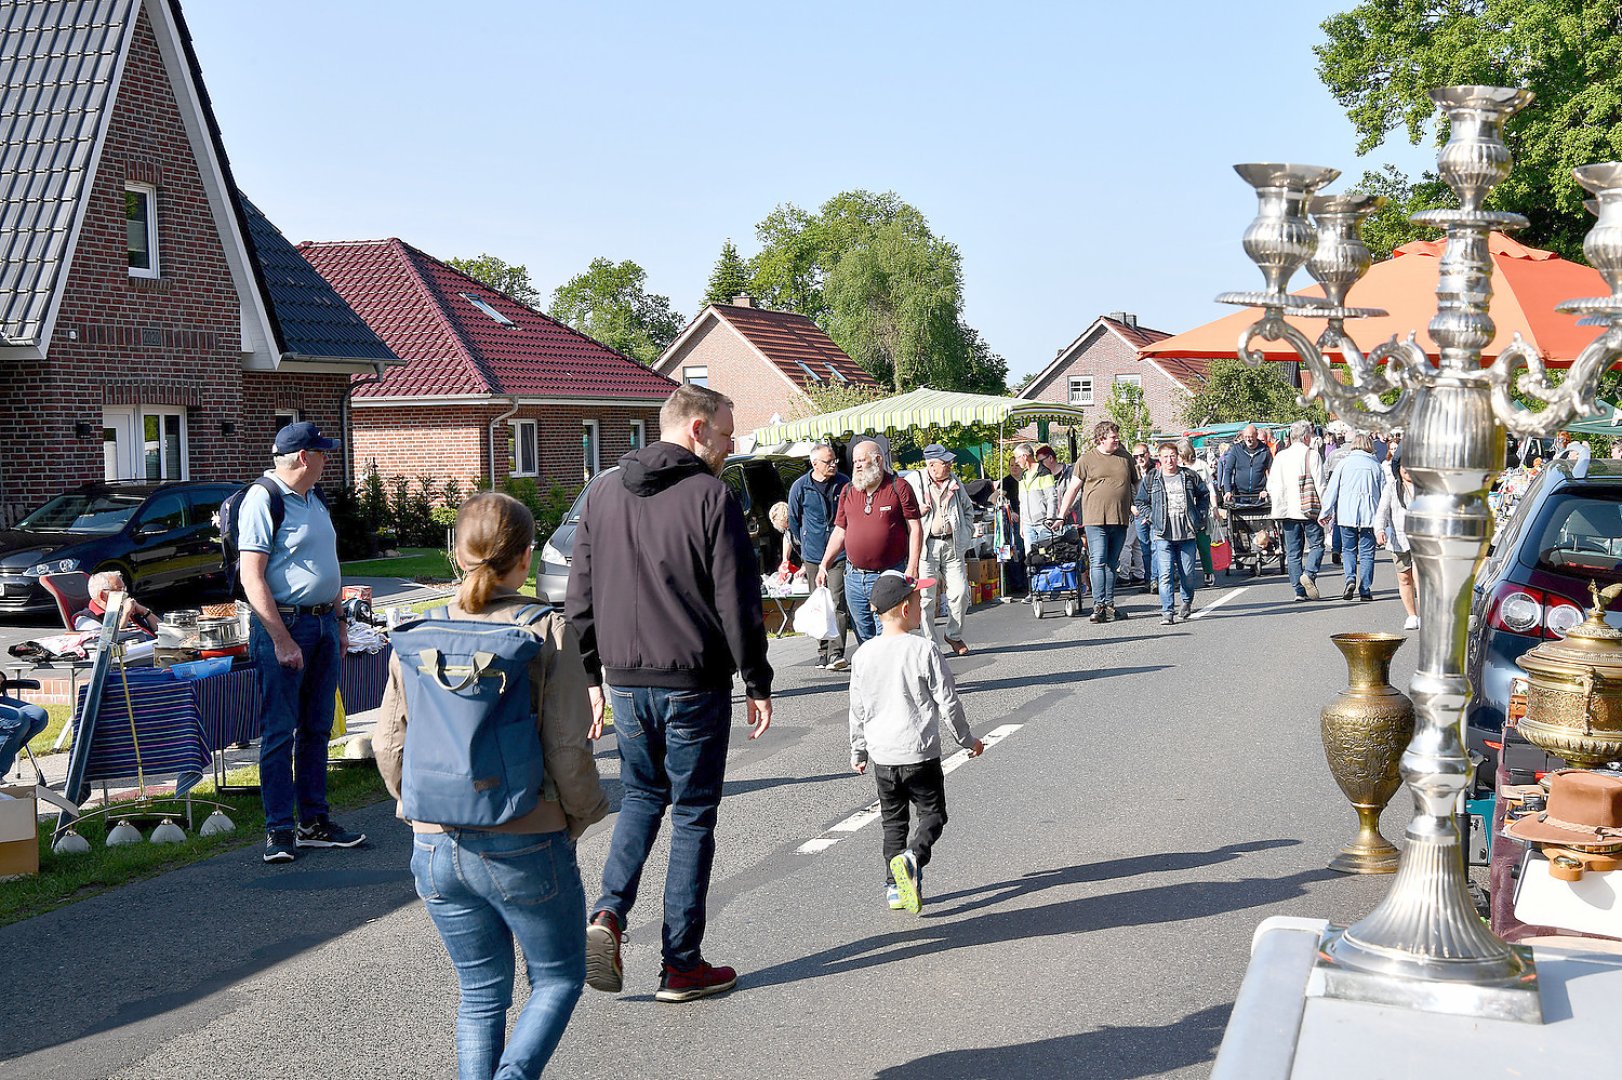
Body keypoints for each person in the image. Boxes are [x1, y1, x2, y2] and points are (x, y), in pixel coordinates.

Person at [375, 492, 609, 1079]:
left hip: (432, 843)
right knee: (558, 977)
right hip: (523, 836)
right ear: (526, 557)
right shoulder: (546, 630)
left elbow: (389, 743)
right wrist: (578, 816)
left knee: (480, 995)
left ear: (457, 554)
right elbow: (566, 747)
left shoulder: (419, 632)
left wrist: (416, 807)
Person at [567, 384, 773, 1004]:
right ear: (698, 429)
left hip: (626, 683)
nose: (731, 445)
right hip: (690, 683)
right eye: (727, 432)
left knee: (640, 799)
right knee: (691, 815)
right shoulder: (711, 497)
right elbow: (737, 599)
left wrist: (591, 678)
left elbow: (579, 593)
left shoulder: (601, 491)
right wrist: (756, 680)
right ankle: (681, 964)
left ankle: (607, 913)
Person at [238, 421, 365, 864]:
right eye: (323, 453)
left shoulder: (315, 497)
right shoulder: (264, 498)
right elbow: (251, 576)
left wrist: (340, 623)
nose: (328, 459)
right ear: (304, 458)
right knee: (279, 731)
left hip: (323, 625)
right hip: (286, 627)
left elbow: (326, 562)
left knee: (316, 728)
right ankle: (278, 830)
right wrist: (280, 638)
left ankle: (314, 822)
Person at [848, 570, 983, 915]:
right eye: (917, 599)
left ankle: (894, 889)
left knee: (893, 823)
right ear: (906, 609)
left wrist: (858, 749)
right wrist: (967, 739)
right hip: (919, 753)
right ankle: (914, 857)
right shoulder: (923, 649)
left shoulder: (863, 655)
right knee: (933, 815)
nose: (922, 602)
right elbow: (948, 701)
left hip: (883, 757)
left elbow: (858, 708)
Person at [817, 439, 922, 645]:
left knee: (889, 634)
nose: (856, 465)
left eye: (862, 460)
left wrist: (912, 567)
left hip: (888, 574)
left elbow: (915, 528)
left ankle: (892, 676)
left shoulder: (898, 487)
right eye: (854, 460)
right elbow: (840, 531)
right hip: (855, 576)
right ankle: (874, 674)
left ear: (878, 460)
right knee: (863, 634)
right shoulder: (848, 490)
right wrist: (824, 564)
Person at [1054, 420, 1140, 623]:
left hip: (1120, 518)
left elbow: (1137, 484)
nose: (1117, 439)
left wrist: (1140, 505)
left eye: (1117, 436)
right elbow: (1072, 489)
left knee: (1112, 563)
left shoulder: (1125, 457)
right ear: (1101, 438)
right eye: (1113, 436)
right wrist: (1061, 515)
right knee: (1098, 560)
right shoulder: (1087, 459)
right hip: (1095, 519)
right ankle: (1098, 605)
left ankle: (1109, 605)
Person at [787, 445, 851, 670]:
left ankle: (836, 652)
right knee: (819, 602)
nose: (833, 464)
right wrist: (805, 544)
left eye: (834, 460)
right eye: (828, 461)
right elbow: (793, 520)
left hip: (839, 553)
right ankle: (822, 649)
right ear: (815, 464)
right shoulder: (800, 487)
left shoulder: (844, 483)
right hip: (813, 554)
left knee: (837, 601)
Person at [906, 444, 974, 655]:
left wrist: (965, 533)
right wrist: (918, 511)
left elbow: (968, 509)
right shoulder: (913, 482)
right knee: (925, 598)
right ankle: (929, 644)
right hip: (927, 546)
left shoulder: (954, 481)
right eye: (945, 463)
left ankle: (953, 635)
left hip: (952, 545)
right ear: (932, 465)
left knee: (961, 593)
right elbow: (902, 512)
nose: (949, 465)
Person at [1136, 441, 1210, 625]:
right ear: (1159, 459)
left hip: (1187, 533)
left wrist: (1200, 516)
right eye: (1165, 456)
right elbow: (1141, 501)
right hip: (1162, 533)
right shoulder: (1152, 478)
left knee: (1188, 573)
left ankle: (1186, 602)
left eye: (1172, 456)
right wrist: (1151, 516)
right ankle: (1167, 611)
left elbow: (1204, 495)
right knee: (1165, 574)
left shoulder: (1189, 476)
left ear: (1177, 457)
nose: (1170, 460)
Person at [1319, 431, 1386, 602]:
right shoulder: (1376, 466)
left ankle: (1350, 578)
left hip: (1346, 513)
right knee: (1367, 552)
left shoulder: (1344, 464)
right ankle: (1365, 588)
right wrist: (1386, 520)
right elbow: (1384, 493)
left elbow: (1332, 489)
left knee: (1348, 549)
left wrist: (1325, 512)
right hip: (1370, 514)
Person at [1267, 418, 1328, 602]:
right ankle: (1309, 574)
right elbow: (1320, 484)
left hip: (1287, 511)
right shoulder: (1312, 455)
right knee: (1317, 545)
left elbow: (1271, 485)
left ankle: (1299, 592)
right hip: (1309, 509)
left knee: (1293, 552)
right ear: (1306, 436)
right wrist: (1326, 509)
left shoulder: (1280, 457)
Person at [1376, 447, 1420, 630]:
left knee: (1421, 578)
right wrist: (1379, 530)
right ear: (1398, 468)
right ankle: (1412, 615)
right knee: (1404, 578)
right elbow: (1381, 512)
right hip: (1399, 540)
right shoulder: (1392, 488)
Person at [1178, 438, 1218, 589]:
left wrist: (1214, 508)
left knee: (1203, 543)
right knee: (1185, 544)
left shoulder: (1202, 466)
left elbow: (1210, 488)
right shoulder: (1177, 468)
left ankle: (1208, 571)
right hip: (1182, 510)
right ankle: (1187, 575)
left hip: (1200, 509)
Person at [73, 569, 160, 636]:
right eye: (119, 590)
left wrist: (145, 611)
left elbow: (164, 631)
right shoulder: (86, 619)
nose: (125, 593)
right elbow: (106, 643)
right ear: (103, 596)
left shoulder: (125, 608)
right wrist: (126, 615)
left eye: (124, 589)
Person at [1012, 443, 1057, 559]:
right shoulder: (1023, 477)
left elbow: (1052, 498)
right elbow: (1022, 503)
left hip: (1043, 524)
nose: (1016, 461)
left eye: (1017, 457)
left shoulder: (1044, 473)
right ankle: (1033, 578)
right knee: (1030, 559)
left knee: (1045, 557)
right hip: (1028, 525)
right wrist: (1022, 525)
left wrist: (1050, 520)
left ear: (1024, 456)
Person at [1121, 442, 1154, 590]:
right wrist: (1131, 506)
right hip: (1138, 514)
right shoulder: (1131, 471)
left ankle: (1160, 578)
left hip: (1154, 513)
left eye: (1142, 455)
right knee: (1143, 547)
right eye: (1136, 456)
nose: (1139, 459)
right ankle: (1148, 580)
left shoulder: (1155, 470)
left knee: (1157, 547)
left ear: (1148, 454)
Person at [1218, 424, 1273, 508]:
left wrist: (1267, 490)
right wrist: (1227, 490)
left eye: (1250, 436)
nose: (1248, 439)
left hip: (1259, 495)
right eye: (1246, 436)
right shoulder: (1236, 449)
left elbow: (1273, 472)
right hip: (1239, 495)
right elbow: (1228, 470)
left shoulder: (1265, 450)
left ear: (1256, 435)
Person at [767, 501, 801, 570]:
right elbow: (787, 537)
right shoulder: (787, 530)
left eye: (785, 526)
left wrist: (804, 567)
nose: (785, 529)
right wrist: (785, 559)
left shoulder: (802, 527)